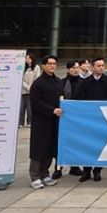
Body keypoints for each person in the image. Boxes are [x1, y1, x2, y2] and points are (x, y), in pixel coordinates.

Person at [77, 57, 107, 182]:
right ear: (93, 67)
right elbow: (80, 98)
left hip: (102, 117)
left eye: (103, 65)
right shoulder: (85, 82)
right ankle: (86, 170)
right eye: (98, 65)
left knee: (100, 144)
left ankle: (97, 170)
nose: (101, 68)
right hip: (88, 118)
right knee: (87, 144)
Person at [28, 55, 63, 189]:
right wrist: (51, 110)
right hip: (41, 121)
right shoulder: (38, 83)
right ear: (43, 66)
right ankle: (35, 176)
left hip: (55, 121)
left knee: (50, 148)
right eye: (49, 64)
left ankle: (45, 174)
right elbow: (35, 102)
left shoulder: (57, 82)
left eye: (54, 64)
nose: (52, 66)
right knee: (39, 149)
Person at [20, 53, 41, 128]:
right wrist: (27, 86)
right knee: (21, 108)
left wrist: (31, 87)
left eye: (28, 58)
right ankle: (20, 123)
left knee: (30, 108)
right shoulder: (23, 67)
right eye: (26, 58)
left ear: (32, 59)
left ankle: (30, 122)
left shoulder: (36, 67)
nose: (27, 59)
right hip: (23, 90)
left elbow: (37, 78)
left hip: (32, 91)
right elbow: (21, 79)